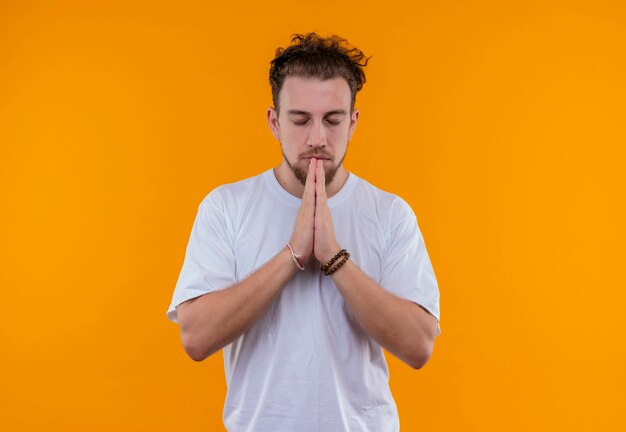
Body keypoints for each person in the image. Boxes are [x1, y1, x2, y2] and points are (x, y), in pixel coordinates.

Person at [166, 32, 441, 432]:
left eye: (333, 120)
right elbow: (195, 338)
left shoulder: (390, 214)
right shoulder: (225, 207)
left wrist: (333, 258)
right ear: (274, 122)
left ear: (354, 122)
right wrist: (292, 254)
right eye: (300, 120)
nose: (317, 139)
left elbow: (419, 346)